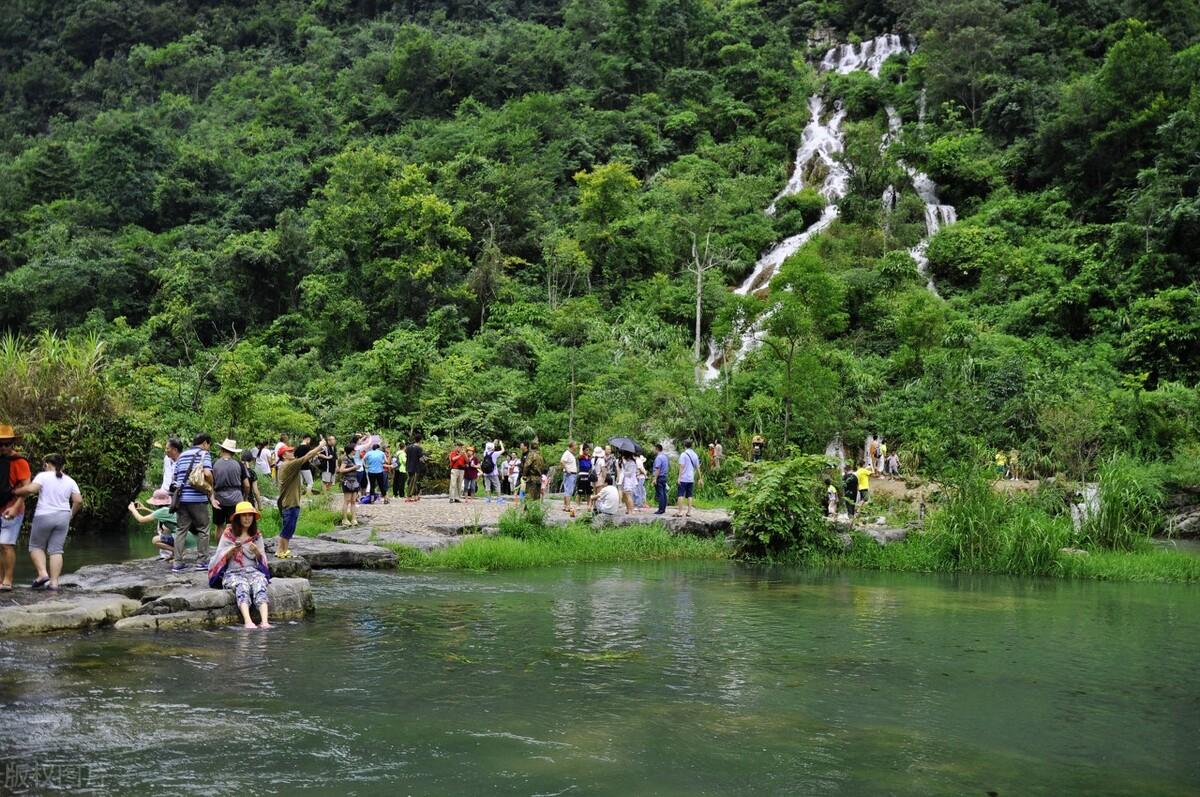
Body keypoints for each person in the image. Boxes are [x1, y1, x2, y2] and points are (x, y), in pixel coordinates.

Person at [12, 454, 82, 591]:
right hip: (63, 516)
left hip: (44, 515)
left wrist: (15, 491)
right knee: (56, 550)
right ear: (63, 466)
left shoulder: (43, 476)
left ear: (47, 465)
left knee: (36, 546)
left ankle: (43, 574)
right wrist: (71, 514)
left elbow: (32, 489)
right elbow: (78, 500)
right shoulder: (70, 480)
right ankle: (54, 584)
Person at [207, 501, 271, 629]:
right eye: (244, 515)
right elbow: (219, 557)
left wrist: (257, 552)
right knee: (242, 586)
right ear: (238, 517)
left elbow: (262, 559)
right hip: (233, 573)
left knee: (259, 584)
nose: (247, 518)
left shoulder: (256, 536)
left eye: (250, 515)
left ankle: (265, 621)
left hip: (253, 571)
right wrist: (231, 551)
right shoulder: (228, 534)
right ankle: (248, 621)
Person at [170, 433, 214, 573]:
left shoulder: (182, 455)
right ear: (205, 443)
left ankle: (177, 563)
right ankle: (202, 562)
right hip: (197, 499)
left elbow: (175, 476)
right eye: (209, 445)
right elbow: (207, 474)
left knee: (181, 530)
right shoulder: (203, 454)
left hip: (181, 498)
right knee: (203, 528)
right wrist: (211, 487)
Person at [275, 442, 324, 559]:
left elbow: (308, 456)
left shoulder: (287, 464)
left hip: (289, 502)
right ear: (283, 456)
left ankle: (281, 550)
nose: (292, 452)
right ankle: (282, 551)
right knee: (288, 529)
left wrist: (314, 452)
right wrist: (320, 445)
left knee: (288, 528)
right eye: (289, 451)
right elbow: (307, 457)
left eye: (292, 450)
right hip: (290, 503)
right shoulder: (288, 465)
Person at [0, 425, 32, 591]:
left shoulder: (20, 462)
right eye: (0, 444)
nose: (4, 447)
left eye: (7, 444)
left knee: (6, 544)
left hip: (12, 508)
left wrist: (15, 507)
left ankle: (8, 580)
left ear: (13, 444)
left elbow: (26, 488)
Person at [211, 439, 249, 532]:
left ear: (222, 450)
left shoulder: (214, 463)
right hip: (236, 498)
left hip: (218, 499)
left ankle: (220, 546)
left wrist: (212, 498)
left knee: (219, 526)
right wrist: (245, 497)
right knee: (233, 525)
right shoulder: (239, 464)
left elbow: (210, 483)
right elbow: (247, 485)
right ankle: (231, 545)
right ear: (233, 452)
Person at [128, 489, 178, 560]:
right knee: (166, 531)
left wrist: (133, 510)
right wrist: (144, 508)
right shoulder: (168, 509)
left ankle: (177, 552)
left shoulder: (162, 511)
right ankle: (177, 551)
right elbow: (158, 514)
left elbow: (141, 519)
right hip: (185, 536)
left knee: (155, 540)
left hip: (181, 538)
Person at [674, 439, 701, 518]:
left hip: (683, 478)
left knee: (680, 494)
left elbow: (681, 466)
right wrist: (700, 478)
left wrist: (679, 477)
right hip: (691, 478)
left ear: (684, 445)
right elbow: (698, 467)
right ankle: (689, 512)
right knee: (690, 495)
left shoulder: (683, 454)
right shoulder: (695, 454)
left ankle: (680, 512)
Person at [337, 444, 360, 525]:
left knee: (353, 501)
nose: (355, 451)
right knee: (347, 501)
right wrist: (353, 468)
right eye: (354, 450)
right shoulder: (345, 458)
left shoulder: (352, 458)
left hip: (354, 481)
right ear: (351, 450)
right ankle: (344, 519)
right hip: (347, 481)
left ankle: (354, 518)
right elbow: (341, 470)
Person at [522, 441, 545, 507]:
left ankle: (527, 512)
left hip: (531, 478)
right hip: (539, 478)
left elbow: (527, 465)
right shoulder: (540, 455)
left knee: (529, 496)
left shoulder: (531, 454)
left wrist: (524, 475)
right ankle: (536, 511)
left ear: (530, 446)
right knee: (537, 497)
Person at [405, 434, 425, 502]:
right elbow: (421, 458)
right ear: (420, 440)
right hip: (415, 467)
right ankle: (409, 497)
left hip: (408, 466)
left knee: (411, 481)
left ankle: (415, 495)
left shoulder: (408, 447)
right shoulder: (419, 448)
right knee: (412, 482)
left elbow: (406, 455)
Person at [560, 441, 578, 516]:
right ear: (572, 446)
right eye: (575, 445)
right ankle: (567, 506)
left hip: (572, 474)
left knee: (568, 489)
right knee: (569, 490)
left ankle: (565, 506)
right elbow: (562, 461)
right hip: (569, 474)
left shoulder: (571, 454)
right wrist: (567, 469)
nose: (576, 446)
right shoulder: (567, 453)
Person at [651, 443, 669, 515]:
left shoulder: (658, 457)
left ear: (657, 449)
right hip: (664, 476)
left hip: (659, 477)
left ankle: (660, 510)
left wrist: (655, 478)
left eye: (654, 449)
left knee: (660, 494)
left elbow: (658, 469)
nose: (654, 450)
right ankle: (663, 509)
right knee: (664, 493)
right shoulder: (665, 457)